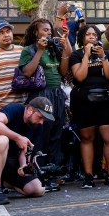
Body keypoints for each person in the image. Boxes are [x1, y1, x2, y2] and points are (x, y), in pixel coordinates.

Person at [19, 18, 73, 192]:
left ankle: (51, 173)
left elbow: (63, 72)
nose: (48, 33)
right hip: (41, 95)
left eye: (49, 30)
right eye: (44, 30)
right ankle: (38, 173)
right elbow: (27, 72)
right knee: (41, 135)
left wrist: (65, 48)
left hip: (56, 93)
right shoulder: (29, 50)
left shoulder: (54, 48)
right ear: (36, 33)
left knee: (56, 134)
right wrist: (40, 51)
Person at [0, 97, 53, 205]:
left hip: (9, 162)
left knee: (37, 189)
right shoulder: (15, 109)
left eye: (44, 119)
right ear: (29, 110)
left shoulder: (36, 126)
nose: (42, 122)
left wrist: (24, 166)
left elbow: (26, 150)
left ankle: (4, 181)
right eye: (40, 117)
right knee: (2, 140)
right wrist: (17, 138)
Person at [69, 25, 109, 188]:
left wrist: (103, 57)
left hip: (105, 99)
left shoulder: (107, 54)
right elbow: (80, 77)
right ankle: (88, 175)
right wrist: (86, 56)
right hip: (84, 101)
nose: (91, 36)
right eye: (87, 34)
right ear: (82, 38)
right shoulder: (76, 55)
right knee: (87, 138)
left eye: (94, 34)